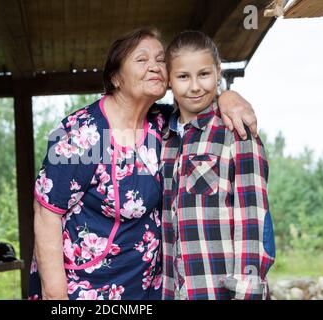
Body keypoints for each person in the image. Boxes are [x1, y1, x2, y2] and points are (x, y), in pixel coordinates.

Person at [29, 27, 258, 300]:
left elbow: (197, 98)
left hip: (149, 290)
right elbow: (46, 213)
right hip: (85, 289)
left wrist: (228, 97)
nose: (155, 67)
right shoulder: (81, 132)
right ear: (115, 77)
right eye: (141, 60)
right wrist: (55, 295)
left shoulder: (163, 124)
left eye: (161, 60)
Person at [160, 30, 275, 300]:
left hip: (217, 291)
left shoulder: (236, 132)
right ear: (169, 80)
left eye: (204, 74)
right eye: (183, 77)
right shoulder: (163, 138)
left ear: (218, 72)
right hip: (170, 291)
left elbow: (253, 219)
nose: (195, 86)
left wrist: (248, 292)